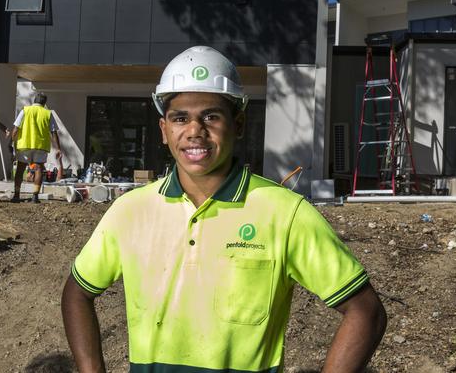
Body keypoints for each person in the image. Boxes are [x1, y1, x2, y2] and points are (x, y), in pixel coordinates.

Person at [61, 46, 387, 372]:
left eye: (211, 116)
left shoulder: (285, 214)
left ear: (239, 124)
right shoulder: (129, 212)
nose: (194, 131)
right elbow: (76, 294)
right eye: (180, 118)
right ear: (164, 130)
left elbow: (365, 312)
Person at [10, 91, 63, 203]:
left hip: (24, 145)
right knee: (38, 169)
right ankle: (35, 196)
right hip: (40, 145)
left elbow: (15, 129)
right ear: (44, 103)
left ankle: (16, 195)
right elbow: (54, 132)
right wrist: (58, 148)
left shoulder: (25, 110)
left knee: (20, 170)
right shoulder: (47, 113)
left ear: (34, 101)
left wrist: (10, 143)